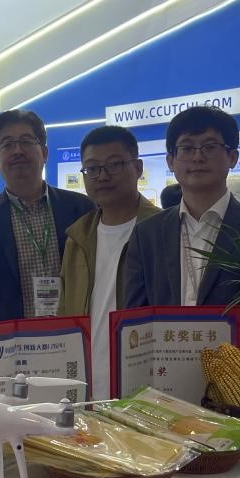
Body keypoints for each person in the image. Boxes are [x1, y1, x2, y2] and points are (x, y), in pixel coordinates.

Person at [124, 106, 240, 365]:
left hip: (238, 382)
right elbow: (135, 317)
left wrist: (231, 376)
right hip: (162, 379)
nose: (197, 157)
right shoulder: (147, 233)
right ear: (171, 161)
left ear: (232, 157)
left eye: (210, 146)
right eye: (186, 148)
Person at [0, 109, 93, 326]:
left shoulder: (81, 209)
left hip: (75, 337)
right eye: (7, 144)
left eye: (26, 141)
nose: (17, 151)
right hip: (10, 343)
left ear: (44, 152)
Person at [58, 126, 161, 399]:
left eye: (115, 165)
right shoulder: (76, 238)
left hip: (145, 385)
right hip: (85, 387)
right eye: (92, 168)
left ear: (138, 168)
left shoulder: (163, 230)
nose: (102, 176)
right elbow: (65, 313)